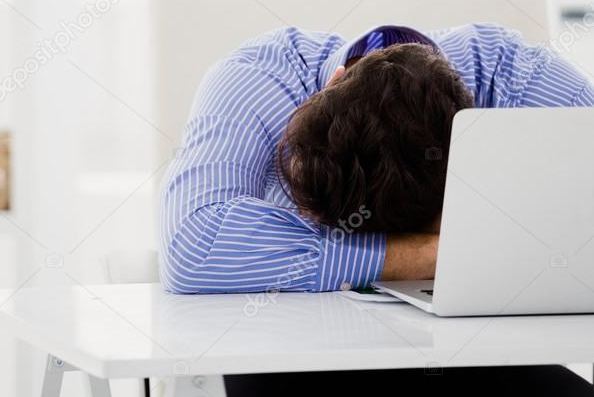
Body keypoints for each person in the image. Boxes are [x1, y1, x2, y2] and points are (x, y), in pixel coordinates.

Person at [160, 22, 594, 395]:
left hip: (480, 354)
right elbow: (195, 244)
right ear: (329, 84)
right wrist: (434, 254)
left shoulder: (515, 75)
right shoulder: (256, 77)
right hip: (297, 355)